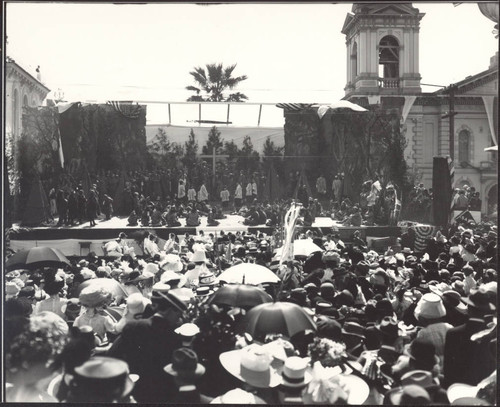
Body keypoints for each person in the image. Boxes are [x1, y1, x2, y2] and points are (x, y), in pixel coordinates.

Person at [107, 285, 186, 403]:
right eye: (178, 314)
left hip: (134, 387)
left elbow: (113, 354)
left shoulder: (133, 327)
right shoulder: (174, 335)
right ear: (170, 311)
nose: (179, 318)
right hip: (163, 392)